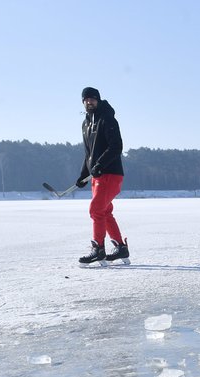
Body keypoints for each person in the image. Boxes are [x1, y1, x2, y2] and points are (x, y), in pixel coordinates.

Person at [76, 87, 129, 265]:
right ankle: (120, 248)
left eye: (93, 99)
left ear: (98, 100)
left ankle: (98, 249)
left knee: (96, 210)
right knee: (104, 211)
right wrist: (83, 174)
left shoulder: (107, 118)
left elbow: (116, 146)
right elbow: (88, 153)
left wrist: (100, 164)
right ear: (83, 102)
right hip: (97, 175)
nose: (89, 102)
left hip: (110, 173)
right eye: (86, 99)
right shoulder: (86, 124)